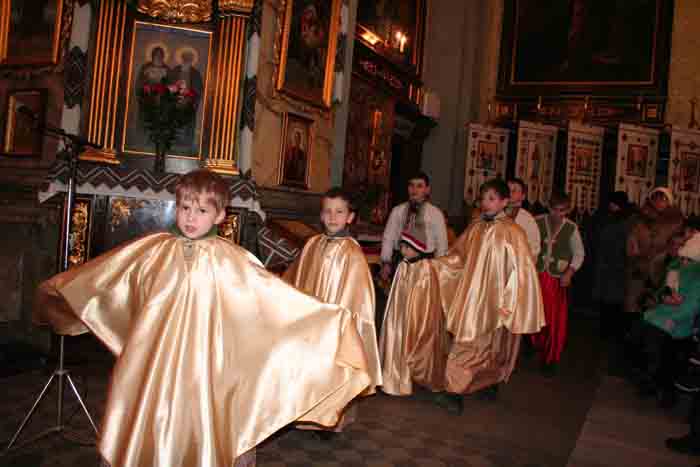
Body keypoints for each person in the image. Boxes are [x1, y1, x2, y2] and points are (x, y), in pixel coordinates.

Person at [33, 169, 372, 467]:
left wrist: (328, 319)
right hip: (155, 357)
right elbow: (114, 271)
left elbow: (270, 297)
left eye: (201, 210)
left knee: (203, 413)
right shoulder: (155, 249)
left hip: (206, 360)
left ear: (220, 215)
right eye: (185, 208)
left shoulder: (231, 259)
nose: (191, 218)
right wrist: (67, 287)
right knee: (148, 409)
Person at [434, 179, 545, 411]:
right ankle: (454, 389)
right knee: (468, 341)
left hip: (498, 301)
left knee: (494, 345)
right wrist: (436, 266)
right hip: (473, 298)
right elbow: (458, 255)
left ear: (504, 202)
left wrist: (511, 300)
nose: (485, 203)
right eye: (483, 198)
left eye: (492, 198)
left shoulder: (513, 232)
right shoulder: (476, 227)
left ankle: (485, 382)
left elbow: (522, 270)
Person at [283, 187, 382, 436]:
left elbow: (358, 295)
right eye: (327, 211)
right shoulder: (312, 244)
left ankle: (332, 419)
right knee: (309, 367)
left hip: (335, 324)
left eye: (339, 212)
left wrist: (340, 323)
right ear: (321, 215)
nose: (332, 217)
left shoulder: (352, 252)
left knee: (333, 370)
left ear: (350, 217)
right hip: (311, 320)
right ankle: (306, 415)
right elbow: (296, 277)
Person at [379, 227, 448, 398]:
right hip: (400, 315)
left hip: (416, 316)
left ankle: (413, 376)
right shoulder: (403, 265)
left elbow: (428, 296)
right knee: (398, 341)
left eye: (407, 247)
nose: (403, 251)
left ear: (418, 248)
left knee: (413, 344)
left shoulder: (425, 268)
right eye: (402, 246)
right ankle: (395, 379)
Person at [531, 192, 585, 375]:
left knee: (554, 321)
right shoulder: (536, 222)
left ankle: (550, 358)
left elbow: (579, 254)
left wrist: (569, 272)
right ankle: (533, 344)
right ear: (549, 207)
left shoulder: (571, 228)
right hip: (536, 277)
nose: (558, 214)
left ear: (568, 210)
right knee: (533, 315)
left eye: (562, 211)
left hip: (556, 281)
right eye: (555, 210)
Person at [380, 172, 448, 282]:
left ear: (427, 190)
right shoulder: (397, 211)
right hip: (400, 263)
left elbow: (442, 245)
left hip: (425, 267)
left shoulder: (436, 214)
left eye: (419, 186)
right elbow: (388, 237)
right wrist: (386, 262)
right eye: (411, 185)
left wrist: (439, 271)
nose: (414, 189)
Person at [506, 178, 541, 260]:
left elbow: (534, 250)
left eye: (514, 190)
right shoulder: (496, 214)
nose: (510, 193)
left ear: (523, 196)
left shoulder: (528, 219)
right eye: (508, 190)